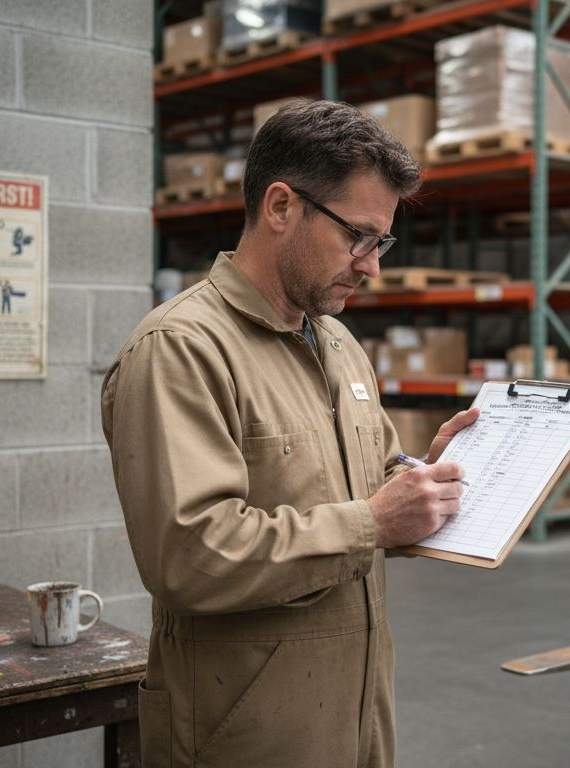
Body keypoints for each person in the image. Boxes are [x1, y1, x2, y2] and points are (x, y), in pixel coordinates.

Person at [100, 99, 478, 768]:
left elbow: (370, 478)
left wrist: (417, 478)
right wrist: (372, 523)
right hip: (244, 738)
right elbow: (190, 556)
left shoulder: (336, 342)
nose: (372, 267)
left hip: (354, 724)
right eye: (359, 236)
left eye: (382, 243)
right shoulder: (181, 349)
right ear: (280, 207)